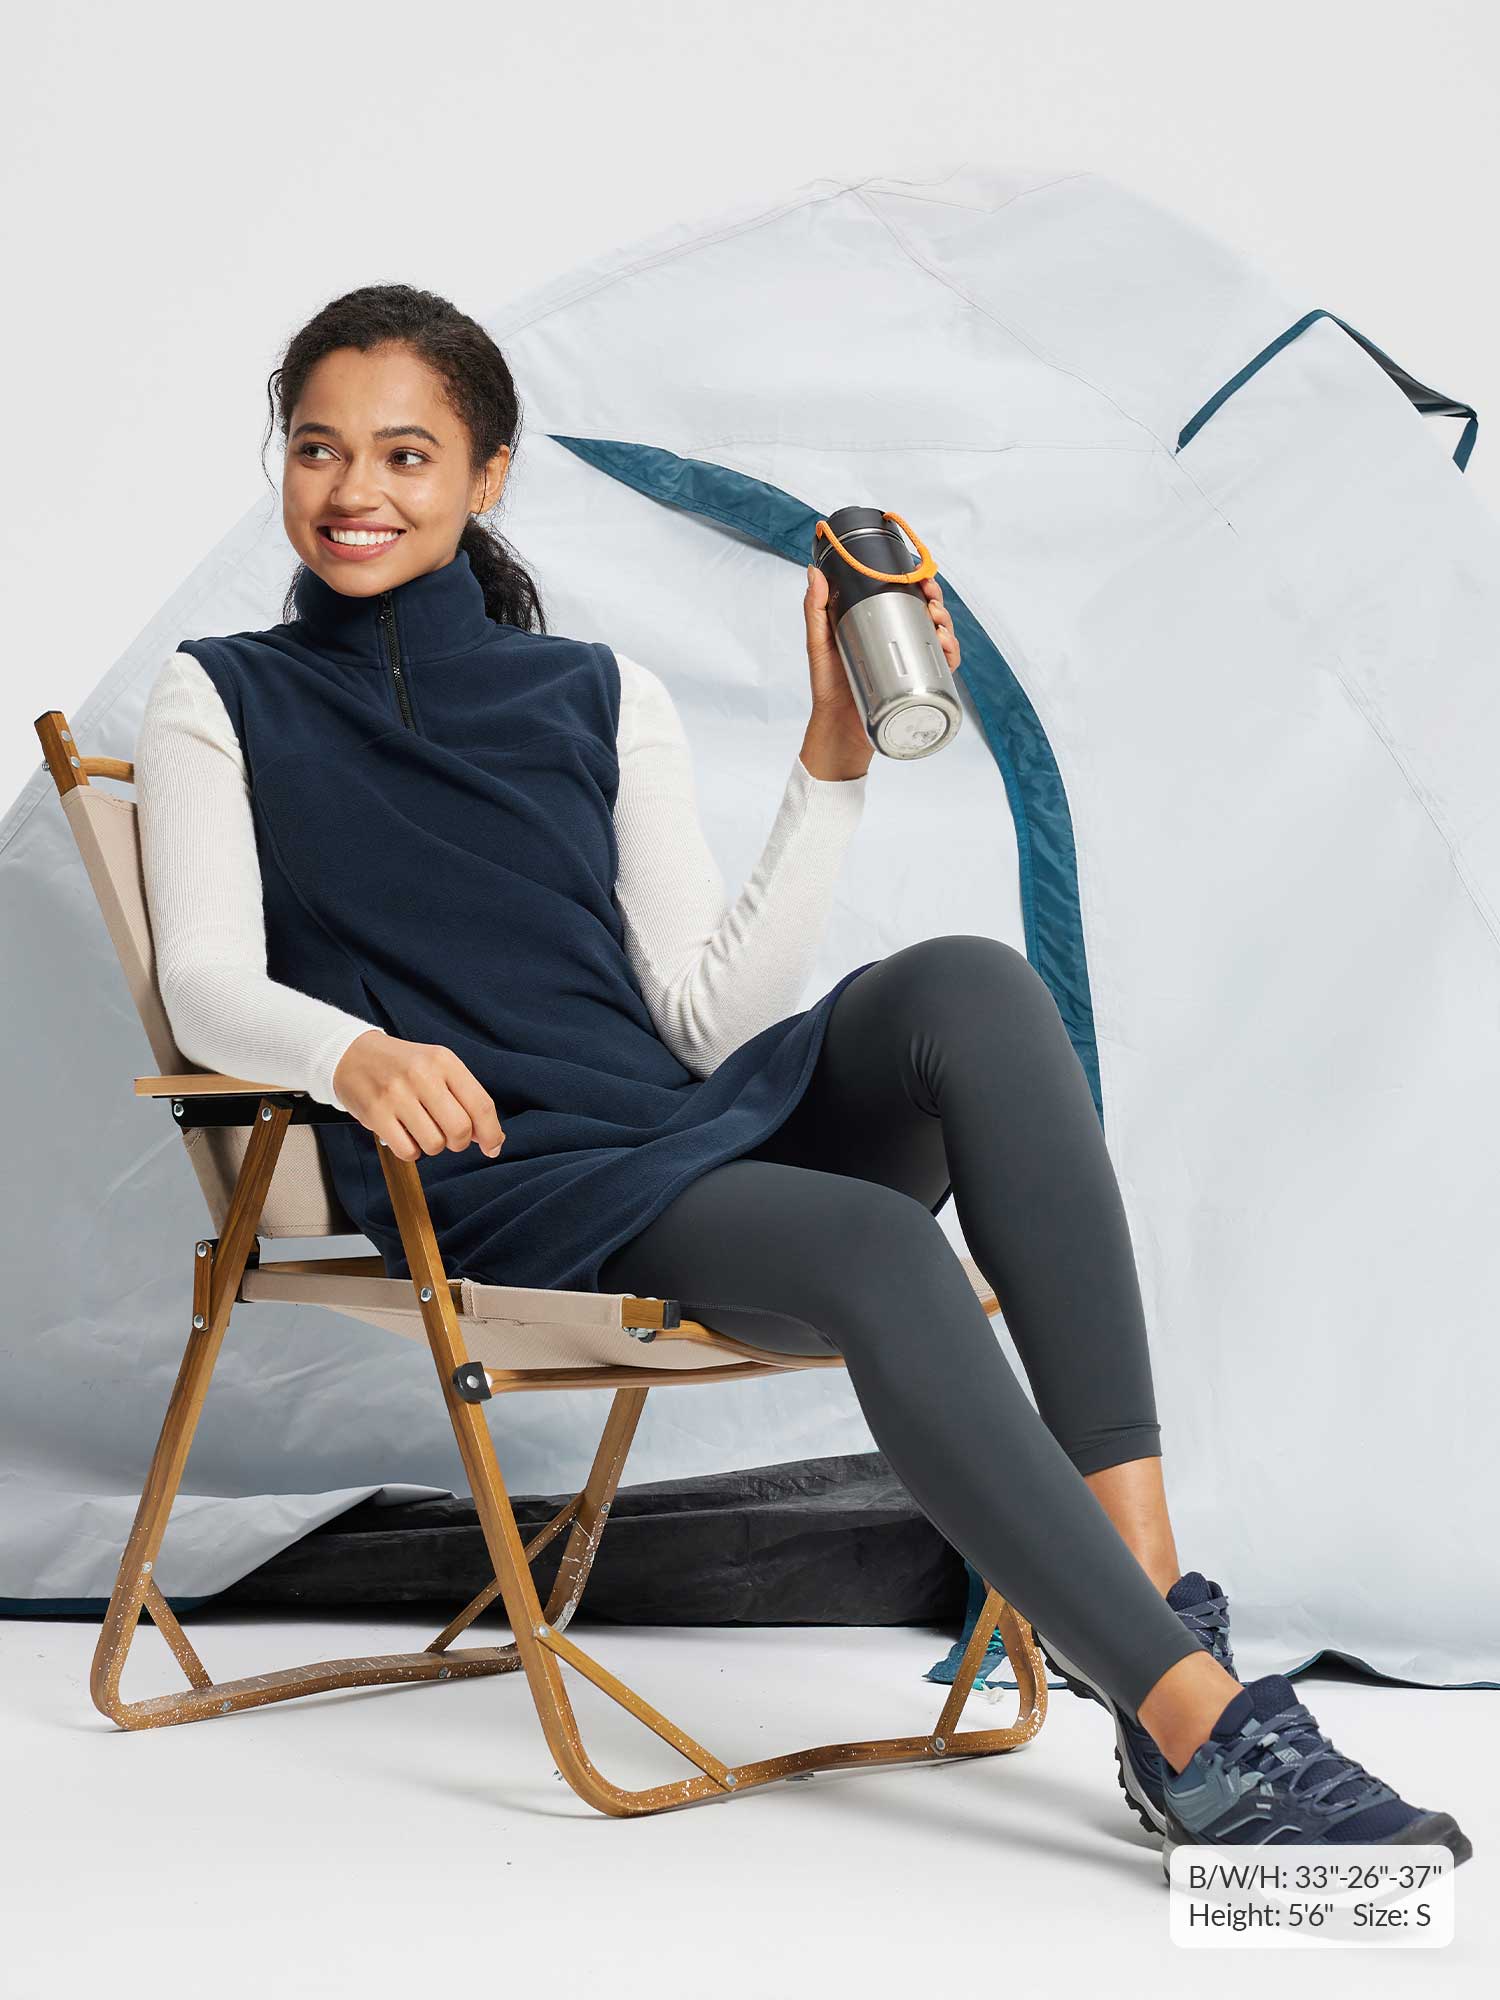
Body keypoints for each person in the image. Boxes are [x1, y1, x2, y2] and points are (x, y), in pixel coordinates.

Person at [134, 281, 1469, 1872]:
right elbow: (207, 981)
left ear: (488, 474)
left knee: (971, 983)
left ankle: (1152, 1592)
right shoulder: (223, 691)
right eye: (319, 450)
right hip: (508, 1178)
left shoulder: (593, 693)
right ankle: (1192, 1727)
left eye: (408, 455)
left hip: (670, 1126)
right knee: (878, 1242)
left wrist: (833, 759)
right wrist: (350, 1055)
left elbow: (704, 1017)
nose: (356, 493)